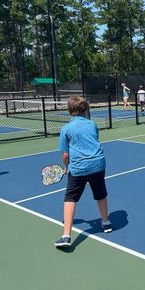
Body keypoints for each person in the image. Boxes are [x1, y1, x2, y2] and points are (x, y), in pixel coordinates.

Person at [54, 96, 113, 248]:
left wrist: (67, 167)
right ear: (85, 109)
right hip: (98, 164)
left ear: (69, 110)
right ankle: (106, 223)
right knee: (101, 194)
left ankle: (66, 235)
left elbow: (65, 155)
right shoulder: (92, 124)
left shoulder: (65, 129)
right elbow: (93, 143)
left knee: (70, 199)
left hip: (79, 168)